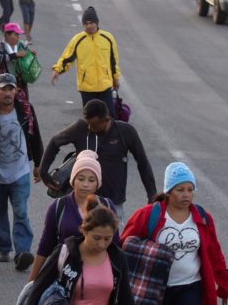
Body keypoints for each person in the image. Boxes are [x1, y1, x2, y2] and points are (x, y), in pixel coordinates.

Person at [121, 162, 228, 305]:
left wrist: (225, 285)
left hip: (191, 287)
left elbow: (215, 254)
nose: (186, 195)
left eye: (190, 189)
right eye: (180, 190)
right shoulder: (148, 215)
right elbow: (124, 246)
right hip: (155, 287)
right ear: (168, 192)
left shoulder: (203, 217)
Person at [38, 100, 156, 218]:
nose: (89, 127)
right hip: (82, 201)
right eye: (88, 123)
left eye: (94, 125)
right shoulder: (81, 128)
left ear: (106, 119)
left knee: (110, 236)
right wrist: (43, 172)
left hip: (113, 203)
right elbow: (55, 142)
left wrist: (152, 195)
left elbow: (143, 163)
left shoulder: (125, 132)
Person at [0, 73, 43, 271]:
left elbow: (35, 137)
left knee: (21, 211)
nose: (7, 93)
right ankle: (3, 247)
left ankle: (23, 251)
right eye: (3, 89)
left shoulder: (25, 110)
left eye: (10, 88)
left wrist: (39, 164)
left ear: (16, 91)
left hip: (20, 171)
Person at [26, 194, 133, 305]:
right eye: (96, 238)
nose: (101, 244)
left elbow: (126, 298)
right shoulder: (64, 253)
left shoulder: (117, 258)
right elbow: (38, 290)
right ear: (84, 230)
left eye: (107, 238)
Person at [26, 152, 117, 282]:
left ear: (98, 183)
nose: (85, 184)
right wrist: (32, 280)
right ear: (73, 180)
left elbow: (115, 245)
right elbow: (46, 245)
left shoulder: (107, 206)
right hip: (63, 273)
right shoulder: (58, 207)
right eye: (81, 178)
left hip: (98, 276)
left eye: (91, 180)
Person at [51, 7, 121, 118]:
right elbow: (66, 58)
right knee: (91, 119)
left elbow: (113, 60)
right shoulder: (78, 40)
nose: (88, 26)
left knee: (109, 117)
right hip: (87, 87)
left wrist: (116, 78)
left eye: (91, 23)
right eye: (85, 24)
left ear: (97, 23)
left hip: (105, 85)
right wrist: (57, 70)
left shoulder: (108, 38)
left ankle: (109, 136)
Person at [0, 22, 35, 98]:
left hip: (21, 82)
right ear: (7, 35)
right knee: (7, 104)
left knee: (24, 105)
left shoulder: (22, 44)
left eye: (18, 35)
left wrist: (30, 54)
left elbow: (26, 55)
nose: (18, 37)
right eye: (16, 34)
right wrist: (15, 55)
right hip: (6, 84)